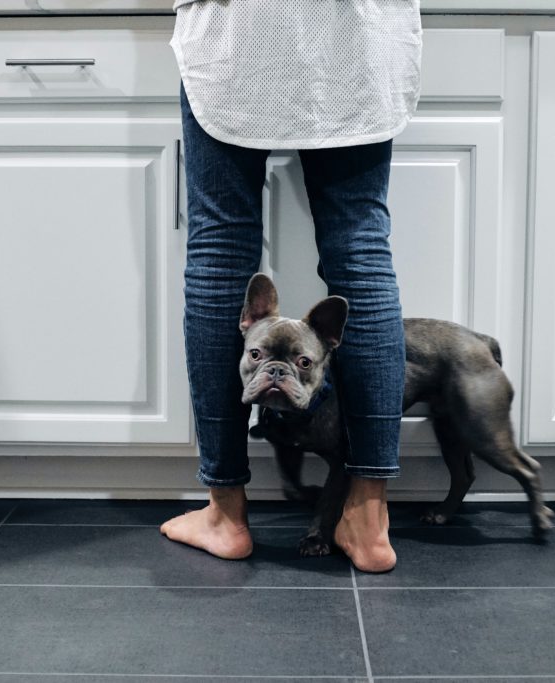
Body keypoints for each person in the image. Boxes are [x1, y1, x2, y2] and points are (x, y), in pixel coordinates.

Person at [159, 0, 422, 573]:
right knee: (360, 242)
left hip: (242, 25)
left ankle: (225, 515)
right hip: (355, 26)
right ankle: (369, 522)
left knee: (221, 244)